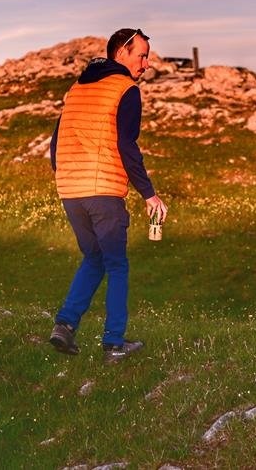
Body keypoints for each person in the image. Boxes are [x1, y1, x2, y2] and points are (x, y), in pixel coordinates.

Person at [48, 28, 167, 364]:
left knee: (94, 257)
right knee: (116, 264)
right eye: (141, 55)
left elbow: (55, 144)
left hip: (70, 191)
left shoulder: (77, 88)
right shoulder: (125, 89)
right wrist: (149, 195)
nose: (146, 64)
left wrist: (67, 175)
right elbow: (126, 145)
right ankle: (114, 343)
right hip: (103, 191)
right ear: (121, 53)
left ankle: (65, 325)